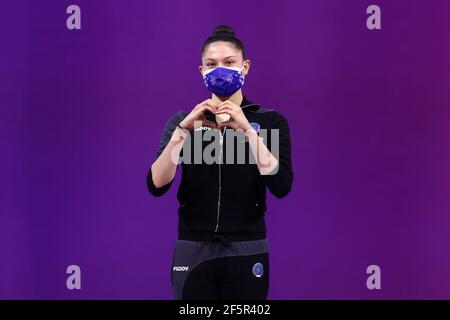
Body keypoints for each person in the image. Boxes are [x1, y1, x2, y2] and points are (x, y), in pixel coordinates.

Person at [147, 25, 293, 300]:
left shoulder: (271, 121)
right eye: (211, 65)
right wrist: (183, 131)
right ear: (201, 71)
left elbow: (281, 185)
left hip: (247, 247)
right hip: (193, 246)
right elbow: (156, 184)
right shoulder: (184, 120)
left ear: (245, 67)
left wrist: (248, 131)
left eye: (229, 63)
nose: (220, 70)